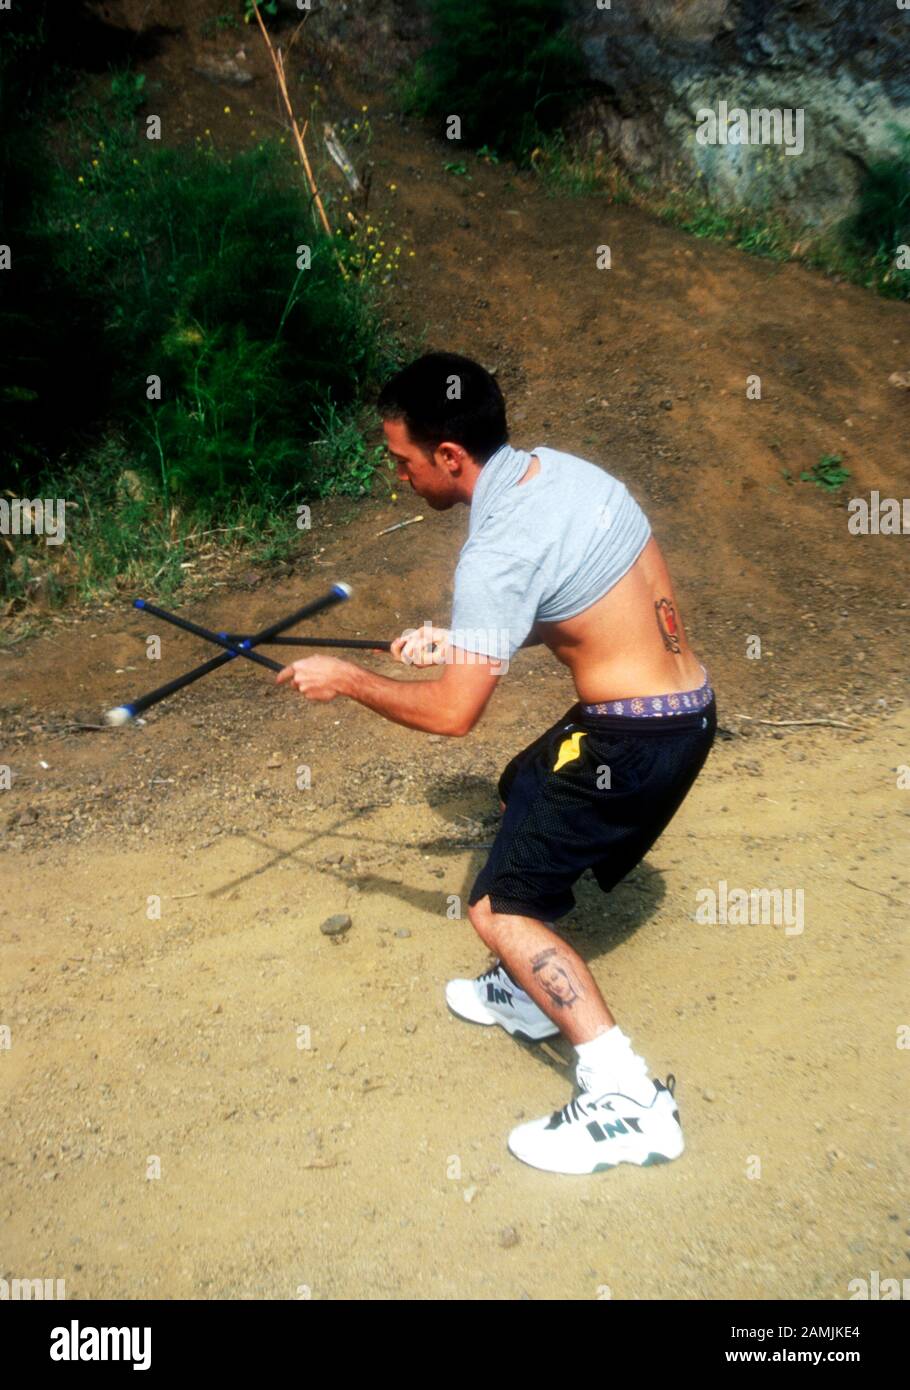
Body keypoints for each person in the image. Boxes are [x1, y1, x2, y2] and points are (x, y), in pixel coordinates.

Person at [277, 352, 718, 1175]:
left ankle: (626, 1097)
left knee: (498, 909)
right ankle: (527, 994)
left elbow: (453, 713)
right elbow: (577, 600)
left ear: (449, 456)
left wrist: (351, 680)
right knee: (523, 782)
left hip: (630, 740)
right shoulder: (561, 476)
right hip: (684, 711)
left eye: (403, 460)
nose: (396, 474)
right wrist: (458, 639)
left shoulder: (493, 555)